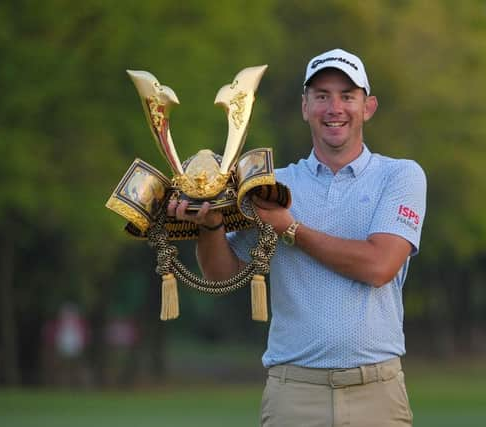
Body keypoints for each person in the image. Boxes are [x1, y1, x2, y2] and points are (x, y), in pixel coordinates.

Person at [168, 48, 427, 427]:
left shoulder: (401, 176)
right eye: (321, 96)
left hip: (376, 391)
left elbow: (378, 265)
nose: (334, 108)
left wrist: (290, 229)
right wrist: (209, 228)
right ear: (305, 107)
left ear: (368, 107)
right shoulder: (271, 185)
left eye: (347, 96)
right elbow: (223, 275)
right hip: (294, 392)